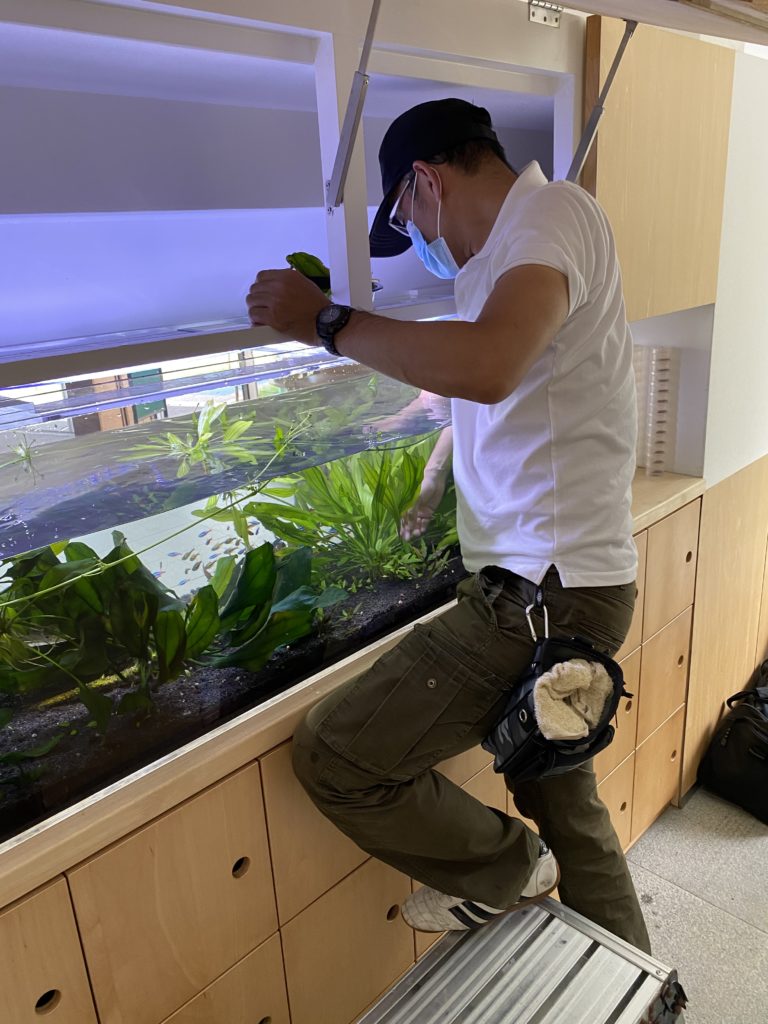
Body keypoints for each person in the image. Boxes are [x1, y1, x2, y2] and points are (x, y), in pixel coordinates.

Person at [246, 98, 650, 951]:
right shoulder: (503, 262)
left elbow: (489, 366)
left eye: (406, 219)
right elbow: (494, 403)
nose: (422, 241)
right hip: (567, 583)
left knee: (337, 756)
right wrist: (431, 485)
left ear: (424, 182)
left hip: (541, 596)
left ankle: (508, 871)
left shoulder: (549, 215)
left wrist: (326, 322)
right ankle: (647, 996)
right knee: (564, 803)